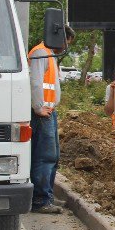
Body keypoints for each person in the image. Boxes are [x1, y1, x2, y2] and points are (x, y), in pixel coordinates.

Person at [28, 24, 75, 214]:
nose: (66, 46)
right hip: (42, 113)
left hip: (49, 111)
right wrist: (38, 107)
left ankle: (46, 195)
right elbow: (36, 82)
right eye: (66, 42)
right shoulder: (41, 53)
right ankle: (40, 200)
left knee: (52, 157)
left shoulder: (49, 55)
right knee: (44, 156)